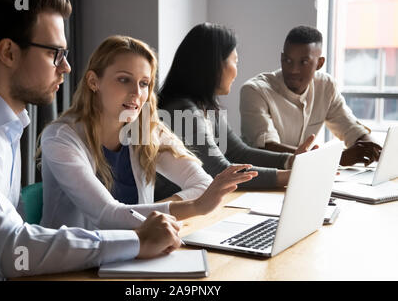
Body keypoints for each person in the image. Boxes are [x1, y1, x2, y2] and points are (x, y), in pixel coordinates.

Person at [0, 0, 182, 281]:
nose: (67, 67)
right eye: (55, 54)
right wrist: (137, 241)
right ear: (8, 52)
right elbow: (12, 248)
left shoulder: (5, 125)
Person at [40, 35, 256, 231]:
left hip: (134, 252)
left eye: (144, 83)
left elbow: (202, 184)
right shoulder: (61, 138)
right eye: (124, 79)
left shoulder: (145, 129)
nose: (136, 93)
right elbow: (106, 215)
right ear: (93, 81)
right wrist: (194, 207)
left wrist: (155, 215)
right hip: (76, 264)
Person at [156, 23, 315, 200]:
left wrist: (290, 161)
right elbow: (218, 170)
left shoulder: (205, 105)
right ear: (215, 65)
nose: (237, 71)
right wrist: (290, 175)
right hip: (170, 211)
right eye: (235, 62)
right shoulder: (183, 110)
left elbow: (238, 152)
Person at [240, 25, 382, 167]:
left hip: (306, 176)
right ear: (281, 58)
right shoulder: (255, 91)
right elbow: (266, 148)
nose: (293, 70)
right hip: (264, 179)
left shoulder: (326, 86)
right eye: (288, 61)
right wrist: (335, 159)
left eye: (303, 62)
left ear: (319, 63)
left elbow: (352, 130)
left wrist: (372, 148)